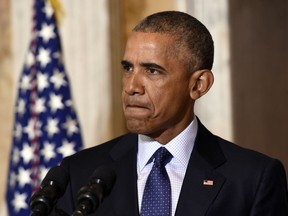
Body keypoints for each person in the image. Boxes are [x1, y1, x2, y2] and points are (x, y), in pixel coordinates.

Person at [51, 11, 288, 215]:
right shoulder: (80, 172)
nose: (131, 86)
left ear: (198, 85)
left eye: (152, 71)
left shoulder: (252, 179)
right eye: (128, 68)